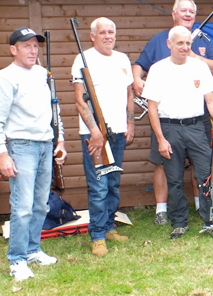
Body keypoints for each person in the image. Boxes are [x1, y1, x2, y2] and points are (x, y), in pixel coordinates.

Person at [0, 27, 67, 281]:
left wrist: (60, 139)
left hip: (46, 145)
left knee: (40, 204)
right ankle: (17, 260)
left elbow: (55, 111)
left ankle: (33, 250)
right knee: (22, 207)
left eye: (35, 46)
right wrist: (2, 154)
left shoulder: (44, 74)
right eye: (26, 46)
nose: (33, 51)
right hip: (21, 147)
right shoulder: (5, 78)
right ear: (13, 49)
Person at [132, 0, 213, 226]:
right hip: (167, 122)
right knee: (169, 170)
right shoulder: (159, 44)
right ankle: (171, 215)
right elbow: (140, 65)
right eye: (183, 10)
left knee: (203, 170)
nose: (188, 14)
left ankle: (208, 212)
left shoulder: (201, 47)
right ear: (174, 14)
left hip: (197, 121)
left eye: (191, 10)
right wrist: (136, 79)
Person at [142, 26, 213, 239]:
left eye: (188, 43)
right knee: (174, 178)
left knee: (205, 174)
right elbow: (152, 108)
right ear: (169, 44)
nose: (185, 47)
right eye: (180, 43)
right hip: (169, 128)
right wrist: (161, 139)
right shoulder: (157, 69)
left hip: (196, 127)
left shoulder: (199, 67)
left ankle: (212, 220)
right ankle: (179, 222)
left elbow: (210, 100)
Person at [72, 17, 135, 256]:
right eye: (103, 32)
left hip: (118, 132)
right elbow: (80, 100)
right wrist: (95, 132)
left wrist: (130, 123)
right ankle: (97, 235)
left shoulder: (122, 59)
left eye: (111, 32)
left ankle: (109, 226)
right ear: (92, 36)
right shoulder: (83, 58)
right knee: (98, 186)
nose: (108, 36)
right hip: (95, 134)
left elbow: (129, 93)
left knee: (113, 183)